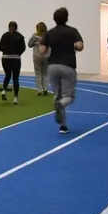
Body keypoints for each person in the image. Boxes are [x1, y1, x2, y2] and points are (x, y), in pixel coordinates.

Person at [37, 7, 83, 135]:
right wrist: (72, 45)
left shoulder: (49, 33)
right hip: (68, 66)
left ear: (54, 19)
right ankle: (62, 106)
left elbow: (42, 51)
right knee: (69, 96)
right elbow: (80, 46)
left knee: (57, 96)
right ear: (66, 18)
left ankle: (62, 126)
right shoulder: (73, 31)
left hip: (52, 67)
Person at [0, 21, 26, 104]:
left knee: (7, 75)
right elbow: (23, 48)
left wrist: (5, 51)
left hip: (5, 58)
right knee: (15, 78)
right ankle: (15, 98)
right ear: (16, 27)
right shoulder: (20, 36)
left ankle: (3, 90)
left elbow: (0, 47)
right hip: (16, 58)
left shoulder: (4, 35)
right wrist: (18, 53)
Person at [28, 22, 49, 96]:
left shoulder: (34, 36)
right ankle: (45, 89)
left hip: (37, 55)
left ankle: (39, 90)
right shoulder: (48, 36)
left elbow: (29, 44)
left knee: (38, 73)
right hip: (46, 55)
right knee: (45, 73)